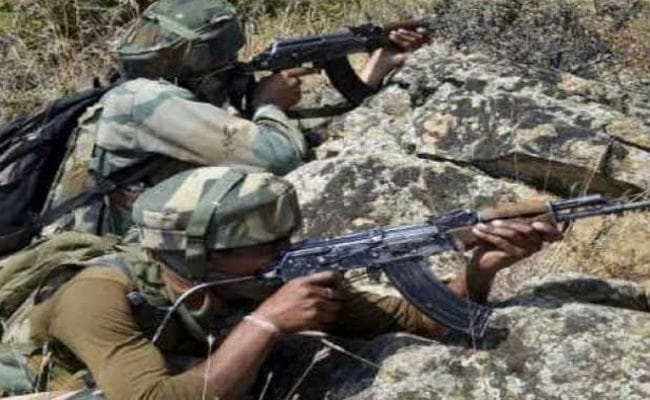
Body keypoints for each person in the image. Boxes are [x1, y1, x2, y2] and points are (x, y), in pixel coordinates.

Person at [1, 166, 562, 399]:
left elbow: (421, 322)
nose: (285, 252)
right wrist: (267, 324)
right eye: (262, 244)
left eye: (284, 236)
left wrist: (479, 270)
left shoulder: (258, 277)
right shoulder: (97, 296)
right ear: (195, 254)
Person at [42, 0, 428, 239]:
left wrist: (376, 66)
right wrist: (269, 104)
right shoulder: (144, 100)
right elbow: (279, 158)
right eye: (225, 59)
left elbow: (293, 140)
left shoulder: (157, 93)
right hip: (110, 255)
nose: (234, 65)